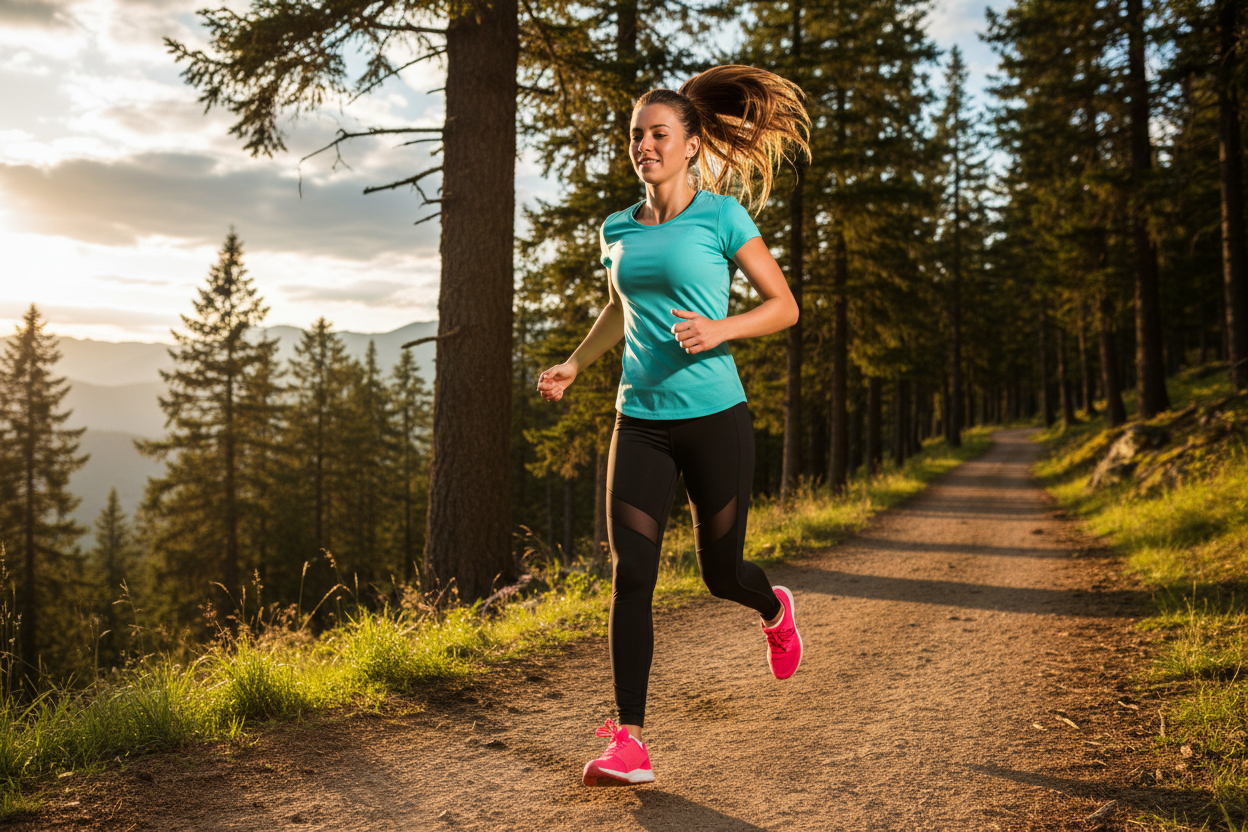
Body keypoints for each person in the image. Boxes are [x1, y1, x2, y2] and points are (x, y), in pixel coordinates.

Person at [535, 65, 810, 787]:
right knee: (633, 576)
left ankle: (772, 608)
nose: (644, 146)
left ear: (689, 145)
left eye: (658, 134)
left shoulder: (722, 217)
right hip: (640, 423)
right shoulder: (617, 227)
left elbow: (783, 306)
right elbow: (620, 311)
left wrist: (722, 329)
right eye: (636, 135)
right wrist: (573, 363)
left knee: (722, 573)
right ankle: (630, 739)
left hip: (716, 418)